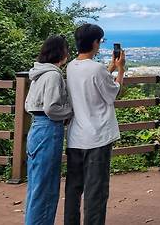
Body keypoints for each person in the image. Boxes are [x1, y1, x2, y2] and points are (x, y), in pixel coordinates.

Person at [64, 24, 125, 225]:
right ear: (95, 42)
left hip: (75, 137)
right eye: (100, 41)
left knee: (73, 188)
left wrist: (109, 68)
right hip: (97, 138)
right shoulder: (96, 69)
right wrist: (120, 70)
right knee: (96, 191)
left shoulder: (71, 66)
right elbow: (113, 92)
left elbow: (91, 80)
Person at [24, 35, 73, 225]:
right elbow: (51, 108)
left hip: (36, 127)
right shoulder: (53, 75)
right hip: (48, 129)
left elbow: (30, 105)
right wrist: (70, 111)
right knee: (47, 187)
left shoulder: (38, 74)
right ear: (61, 52)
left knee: (36, 185)